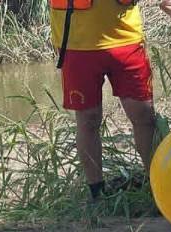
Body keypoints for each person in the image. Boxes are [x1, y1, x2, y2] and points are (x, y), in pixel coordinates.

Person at [50, 0, 156, 200]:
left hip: (127, 39)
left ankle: (156, 185)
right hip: (76, 43)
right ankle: (97, 193)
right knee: (88, 119)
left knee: (144, 115)